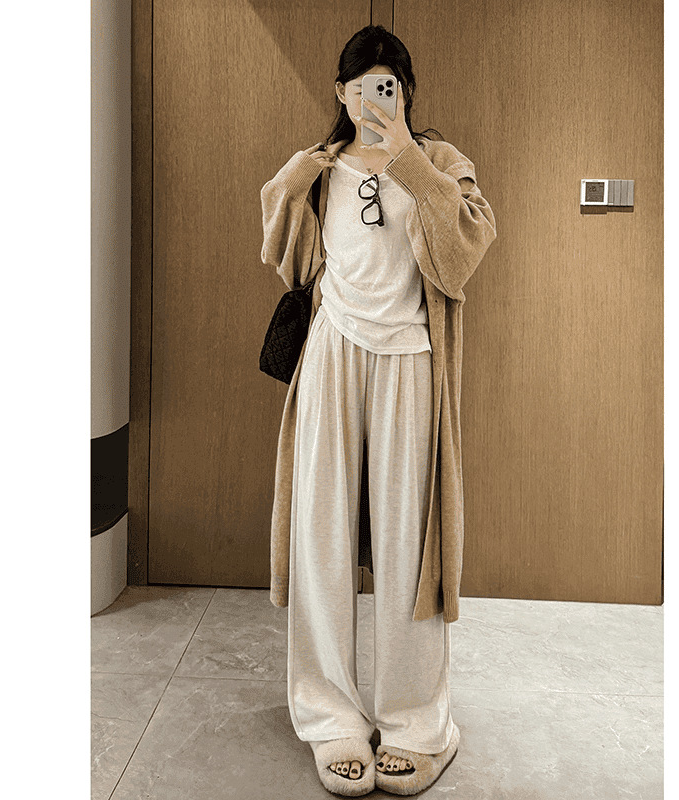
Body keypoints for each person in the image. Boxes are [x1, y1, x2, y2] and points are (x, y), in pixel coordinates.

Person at [260, 25, 497, 797]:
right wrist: (304, 168)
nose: (375, 98)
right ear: (341, 92)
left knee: (409, 549)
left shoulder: (441, 162)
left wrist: (406, 161)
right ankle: (329, 719)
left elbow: (464, 253)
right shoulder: (321, 169)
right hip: (332, 354)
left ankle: (419, 728)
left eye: (388, 84)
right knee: (320, 538)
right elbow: (284, 254)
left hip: (411, 362)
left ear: (407, 90)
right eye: (362, 85)